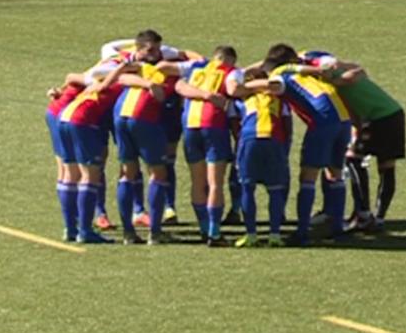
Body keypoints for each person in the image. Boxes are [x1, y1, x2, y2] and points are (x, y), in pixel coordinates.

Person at [256, 43, 353, 246]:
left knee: (307, 176)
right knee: (335, 173)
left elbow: (282, 76)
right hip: (343, 119)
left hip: (322, 121)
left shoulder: (282, 72)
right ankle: (337, 227)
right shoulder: (310, 78)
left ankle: (302, 232)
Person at [299, 50, 406, 231]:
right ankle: (374, 218)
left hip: (380, 117)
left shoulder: (331, 75)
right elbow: (351, 107)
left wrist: (335, 78)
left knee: (358, 160)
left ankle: (366, 215)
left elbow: (355, 74)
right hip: (391, 114)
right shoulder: (331, 80)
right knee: (382, 165)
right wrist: (356, 128)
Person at [157, 46, 238, 245]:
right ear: (230, 60)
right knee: (215, 183)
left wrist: (201, 94)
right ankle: (214, 232)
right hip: (214, 127)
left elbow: (178, 86)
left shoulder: (196, 68)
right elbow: (233, 89)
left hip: (190, 126)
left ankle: (203, 228)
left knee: (197, 181)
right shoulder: (231, 72)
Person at [58, 62, 138, 244]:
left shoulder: (96, 79)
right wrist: (122, 70)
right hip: (82, 121)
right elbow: (104, 87)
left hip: (65, 117)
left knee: (71, 174)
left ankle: (70, 228)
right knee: (90, 175)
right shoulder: (118, 83)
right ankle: (85, 231)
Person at [112, 52, 179, 245]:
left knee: (127, 173)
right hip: (144, 119)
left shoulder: (142, 68)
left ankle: (128, 233)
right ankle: (155, 233)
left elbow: (121, 75)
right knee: (158, 173)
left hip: (120, 116)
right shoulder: (176, 72)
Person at [229, 67, 290, 248]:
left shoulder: (240, 100)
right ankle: (275, 234)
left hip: (249, 141)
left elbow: (234, 127)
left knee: (247, 188)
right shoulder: (279, 99)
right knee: (275, 189)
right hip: (274, 140)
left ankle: (251, 234)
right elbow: (288, 125)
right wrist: (284, 148)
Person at [45, 81, 85, 241]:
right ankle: (73, 224)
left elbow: (73, 77)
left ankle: (71, 223)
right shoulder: (116, 70)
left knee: (65, 170)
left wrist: (60, 89)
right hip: (65, 115)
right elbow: (74, 76)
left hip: (56, 112)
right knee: (73, 172)